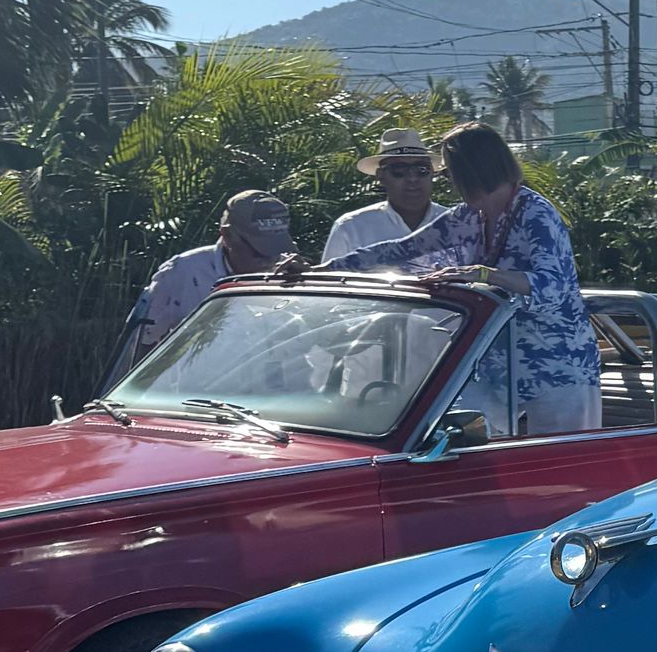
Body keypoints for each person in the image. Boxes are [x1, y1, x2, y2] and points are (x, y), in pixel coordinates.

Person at [319, 121, 600, 435]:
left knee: (561, 465)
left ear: (471, 170)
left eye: (450, 171)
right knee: (466, 441)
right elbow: (402, 251)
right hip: (494, 364)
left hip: (556, 364)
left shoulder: (536, 214)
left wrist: (484, 275)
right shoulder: (468, 217)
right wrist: (316, 271)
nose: (447, 180)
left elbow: (553, 288)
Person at [112, 187, 295, 375]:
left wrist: (302, 287)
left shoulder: (291, 272)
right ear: (227, 236)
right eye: (259, 250)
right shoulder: (182, 273)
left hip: (283, 395)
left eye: (276, 247)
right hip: (202, 397)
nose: (270, 258)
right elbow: (142, 348)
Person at [322, 129, 441, 261]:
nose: (412, 178)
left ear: (432, 173)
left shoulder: (460, 223)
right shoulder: (351, 227)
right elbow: (328, 279)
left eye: (421, 170)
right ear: (381, 176)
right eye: (400, 170)